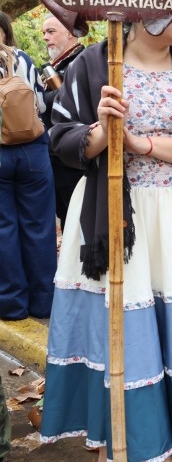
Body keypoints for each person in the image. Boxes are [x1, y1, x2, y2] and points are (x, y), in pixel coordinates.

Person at [40, 8, 172, 461]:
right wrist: (102, 133)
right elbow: (61, 136)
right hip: (111, 211)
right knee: (122, 326)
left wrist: (141, 144)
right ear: (143, 15)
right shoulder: (93, 64)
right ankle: (130, 439)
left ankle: (171, 432)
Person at [0, 17, 55, 321]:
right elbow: (42, 107)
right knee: (39, 226)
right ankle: (44, 301)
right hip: (32, 150)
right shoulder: (22, 59)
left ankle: (10, 304)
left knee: (3, 228)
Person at [42, 15, 86, 231]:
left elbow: (69, 100)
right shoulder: (55, 64)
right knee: (65, 215)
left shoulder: (83, 60)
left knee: (78, 220)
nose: (45, 37)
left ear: (70, 33)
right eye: (43, 33)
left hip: (74, 159)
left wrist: (42, 99)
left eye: (51, 31)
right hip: (55, 157)